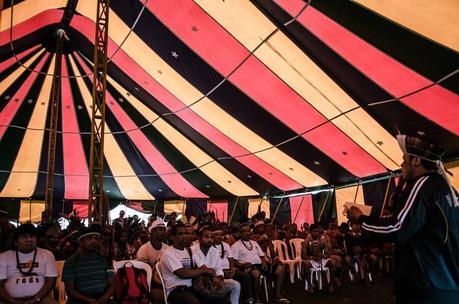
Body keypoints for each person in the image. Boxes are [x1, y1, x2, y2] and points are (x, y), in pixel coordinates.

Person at [348, 134, 459, 303]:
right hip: (446, 283)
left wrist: (360, 219)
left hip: (426, 286)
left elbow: (397, 227)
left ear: (415, 160)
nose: (401, 164)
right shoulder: (446, 188)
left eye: (404, 158)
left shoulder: (423, 184)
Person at [0, 223, 57, 304]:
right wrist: (11, 301)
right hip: (9, 300)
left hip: (40, 299)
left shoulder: (47, 254)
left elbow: (50, 282)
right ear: (15, 242)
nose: (29, 239)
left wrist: (36, 299)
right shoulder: (4, 257)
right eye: (24, 237)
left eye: (32, 236)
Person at [159, 223, 215, 304]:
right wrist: (204, 271)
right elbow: (183, 274)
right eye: (180, 234)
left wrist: (213, 276)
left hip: (192, 287)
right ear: (172, 237)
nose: (184, 236)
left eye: (185, 233)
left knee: (218, 299)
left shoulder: (189, 250)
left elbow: (202, 266)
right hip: (176, 290)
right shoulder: (168, 253)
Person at [62, 226, 115, 304]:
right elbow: (70, 291)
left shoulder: (104, 260)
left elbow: (113, 284)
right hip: (80, 301)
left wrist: (105, 297)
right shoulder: (71, 262)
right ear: (80, 242)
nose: (94, 241)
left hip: (102, 299)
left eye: (96, 238)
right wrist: (87, 300)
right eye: (89, 238)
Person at [192, 226, 240, 304]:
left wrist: (219, 279)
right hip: (200, 282)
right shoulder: (193, 250)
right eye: (206, 237)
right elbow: (202, 267)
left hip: (214, 280)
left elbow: (218, 269)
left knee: (235, 285)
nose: (209, 240)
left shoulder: (215, 251)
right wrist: (214, 278)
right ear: (199, 239)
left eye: (211, 237)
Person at [231, 224, 266, 304]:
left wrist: (264, 263)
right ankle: (256, 298)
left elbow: (262, 256)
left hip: (260, 266)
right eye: (244, 231)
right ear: (240, 233)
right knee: (256, 273)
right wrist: (243, 265)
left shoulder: (255, 243)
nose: (247, 233)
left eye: (248, 231)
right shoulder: (236, 245)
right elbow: (234, 261)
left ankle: (278, 295)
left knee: (280, 268)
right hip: (247, 267)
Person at [136, 219, 168, 304]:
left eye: (164, 230)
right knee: (158, 297)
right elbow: (142, 271)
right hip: (149, 282)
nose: (163, 232)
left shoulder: (167, 249)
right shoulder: (144, 249)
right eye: (160, 229)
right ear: (152, 232)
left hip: (166, 280)